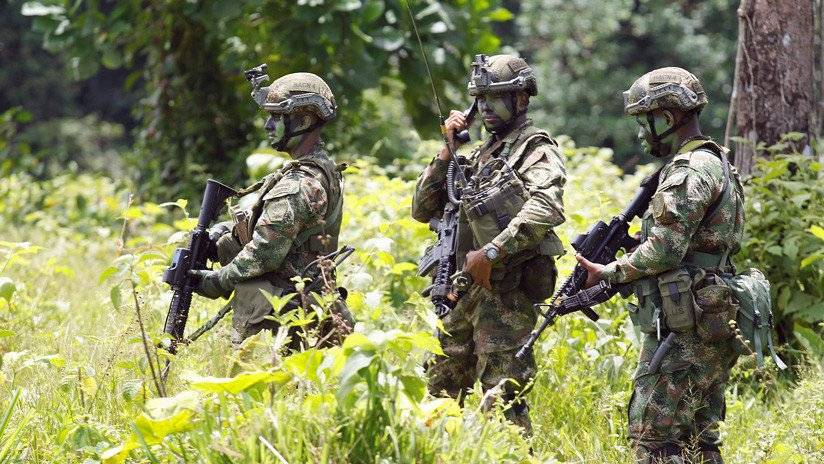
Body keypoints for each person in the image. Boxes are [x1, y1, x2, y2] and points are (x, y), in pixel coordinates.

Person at [576, 67, 745, 464]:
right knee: (700, 441)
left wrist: (611, 274)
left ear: (667, 119)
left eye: (643, 121)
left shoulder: (688, 171)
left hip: (686, 328)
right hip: (707, 316)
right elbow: (696, 245)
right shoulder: (716, 162)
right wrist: (635, 246)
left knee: (655, 440)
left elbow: (667, 250)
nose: (639, 133)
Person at [411, 54, 567, 434]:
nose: (484, 109)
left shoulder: (535, 148)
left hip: (504, 295)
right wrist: (447, 149)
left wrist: (492, 251)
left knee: (502, 405)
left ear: (522, 99)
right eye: (479, 100)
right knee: (438, 397)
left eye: (495, 98)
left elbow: (546, 206)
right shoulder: (481, 154)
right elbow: (421, 208)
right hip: (460, 294)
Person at [192, 69, 353, 347]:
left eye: (277, 117)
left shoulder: (300, 183)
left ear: (303, 120)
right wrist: (223, 236)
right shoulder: (313, 170)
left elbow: (264, 253)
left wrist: (215, 281)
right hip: (301, 308)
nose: (268, 125)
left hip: (288, 318)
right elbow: (278, 230)